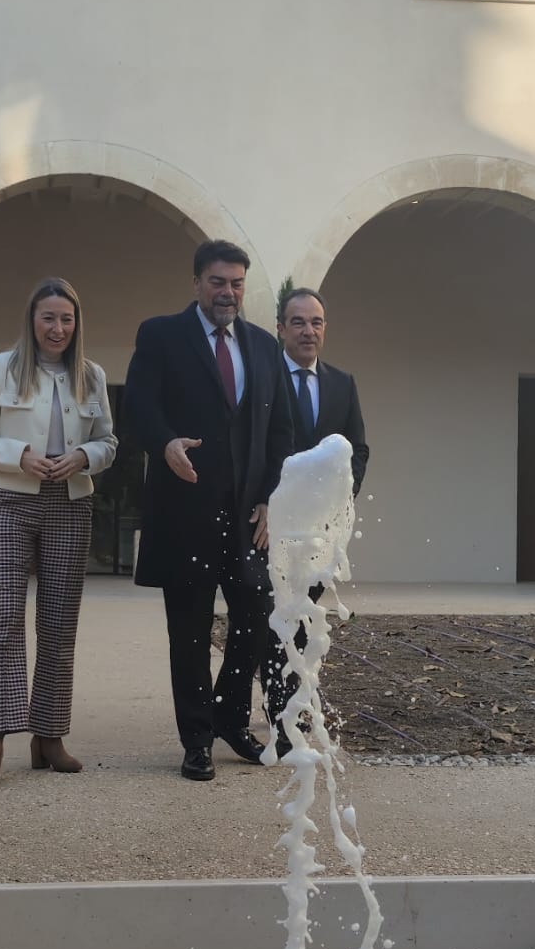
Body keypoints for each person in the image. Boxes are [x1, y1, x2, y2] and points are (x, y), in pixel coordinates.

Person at [124, 239, 295, 781]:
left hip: (248, 518)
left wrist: (272, 496)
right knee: (191, 633)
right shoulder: (161, 335)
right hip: (185, 511)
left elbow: (282, 432)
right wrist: (165, 443)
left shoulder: (266, 347)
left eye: (237, 283)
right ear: (197, 283)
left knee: (255, 620)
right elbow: (138, 407)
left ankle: (228, 714)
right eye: (218, 282)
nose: (228, 293)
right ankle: (197, 739)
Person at [0, 278, 118, 779]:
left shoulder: (91, 376)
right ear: (32, 320)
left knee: (57, 623)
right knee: (3, 616)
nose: (58, 328)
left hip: (69, 504)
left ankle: (49, 737)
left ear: (77, 324)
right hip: (9, 499)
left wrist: (83, 457)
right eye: (49, 317)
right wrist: (20, 456)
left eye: (67, 319)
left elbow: (109, 442)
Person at [259, 286, 369, 756]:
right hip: (271, 528)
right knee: (270, 621)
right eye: (298, 322)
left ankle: (292, 720)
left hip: (320, 533)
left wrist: (337, 502)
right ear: (281, 329)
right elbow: (256, 448)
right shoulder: (265, 380)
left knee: (304, 623)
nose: (308, 330)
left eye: (316, 322)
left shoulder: (343, 383)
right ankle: (277, 726)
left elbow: (357, 450)